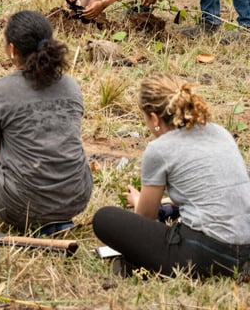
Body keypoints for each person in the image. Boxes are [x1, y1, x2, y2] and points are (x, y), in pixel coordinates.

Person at [93, 73, 250, 278]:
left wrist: (141, 200)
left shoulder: (159, 149)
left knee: (104, 218)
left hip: (206, 253)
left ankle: (143, 267)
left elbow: (146, 218)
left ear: (155, 118)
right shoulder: (219, 132)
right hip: (247, 250)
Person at [0, 11, 92, 234]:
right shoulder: (70, 85)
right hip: (76, 196)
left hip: (20, 204)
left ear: (12, 49)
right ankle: (55, 218)